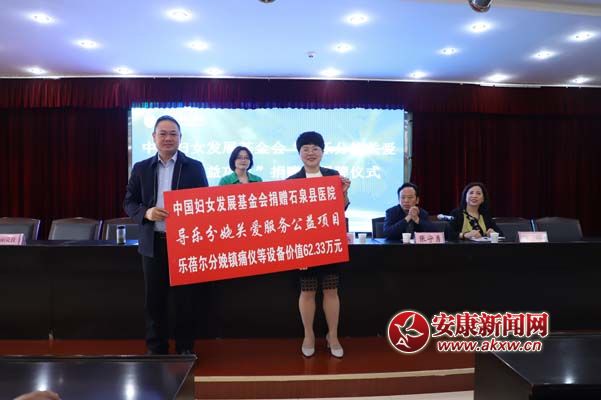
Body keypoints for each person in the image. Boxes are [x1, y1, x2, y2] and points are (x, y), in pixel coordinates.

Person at [124, 115, 209, 355]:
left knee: (186, 300)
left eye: (173, 134)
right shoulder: (141, 168)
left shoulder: (194, 167)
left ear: (180, 138)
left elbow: (204, 203)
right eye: (163, 133)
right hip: (153, 244)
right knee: (154, 300)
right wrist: (146, 212)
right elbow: (129, 202)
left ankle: (184, 348)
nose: (168, 138)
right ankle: (156, 348)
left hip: (184, 245)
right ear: (154, 137)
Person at [287, 131, 351, 359]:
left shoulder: (333, 176)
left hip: (330, 242)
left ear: (322, 152)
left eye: (315, 148)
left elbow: (342, 208)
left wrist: (344, 192)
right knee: (307, 291)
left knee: (331, 290)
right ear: (299, 153)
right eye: (306, 149)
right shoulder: (291, 182)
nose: (311, 152)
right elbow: (288, 218)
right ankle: (309, 336)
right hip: (304, 245)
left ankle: (333, 336)